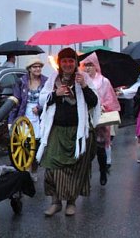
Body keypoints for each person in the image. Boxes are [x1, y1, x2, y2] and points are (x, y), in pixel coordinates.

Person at [36, 47, 99, 217]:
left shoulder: (83, 78)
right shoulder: (53, 79)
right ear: (59, 63)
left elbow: (94, 102)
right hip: (56, 131)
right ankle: (55, 202)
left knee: (75, 169)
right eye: (64, 61)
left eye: (71, 61)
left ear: (75, 63)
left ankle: (71, 203)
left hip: (77, 132)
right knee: (51, 167)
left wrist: (84, 86)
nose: (67, 64)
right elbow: (43, 99)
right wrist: (56, 94)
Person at [81, 52, 120, 186]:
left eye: (90, 65)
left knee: (100, 149)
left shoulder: (104, 81)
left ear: (96, 66)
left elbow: (111, 99)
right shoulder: (82, 80)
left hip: (100, 120)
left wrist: (104, 106)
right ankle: (86, 178)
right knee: (86, 151)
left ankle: (103, 172)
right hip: (86, 119)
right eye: (86, 65)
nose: (88, 68)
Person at [11, 55, 47, 177]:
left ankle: (34, 169)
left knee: (36, 144)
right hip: (24, 114)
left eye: (39, 67)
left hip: (39, 117)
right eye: (34, 67)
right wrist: (11, 121)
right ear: (29, 69)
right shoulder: (22, 82)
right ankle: (26, 170)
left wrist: (40, 109)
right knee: (25, 143)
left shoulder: (46, 81)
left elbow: (49, 100)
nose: (37, 69)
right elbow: (16, 101)